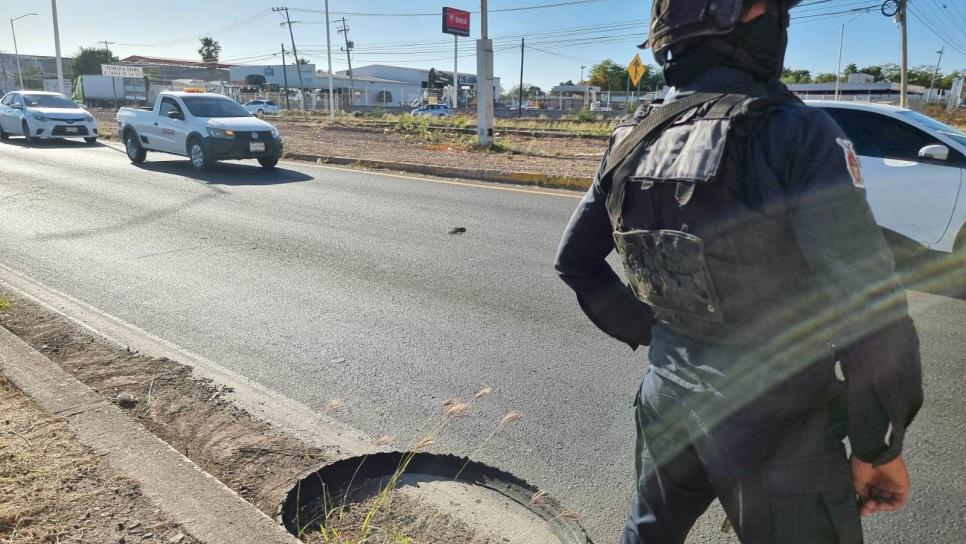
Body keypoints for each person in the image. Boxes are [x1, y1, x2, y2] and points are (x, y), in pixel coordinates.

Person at [554, 1, 924, 542]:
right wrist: (878, 448)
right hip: (777, 424)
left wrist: (657, 336)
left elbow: (576, 262)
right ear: (734, 20)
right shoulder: (791, 130)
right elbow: (869, 309)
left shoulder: (632, 138)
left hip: (667, 399)